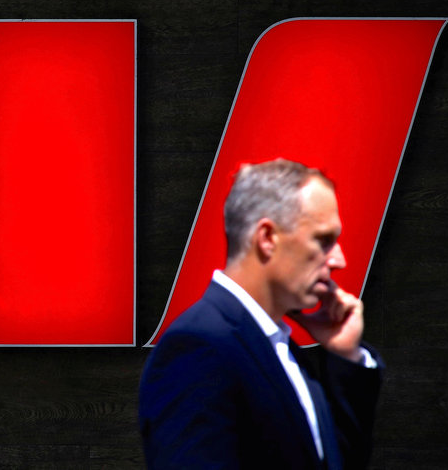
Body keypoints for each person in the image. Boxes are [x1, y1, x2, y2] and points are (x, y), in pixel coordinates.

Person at [139, 159, 383, 469]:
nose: (339, 260)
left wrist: (345, 356)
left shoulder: (283, 349)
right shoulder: (198, 346)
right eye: (323, 240)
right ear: (267, 238)